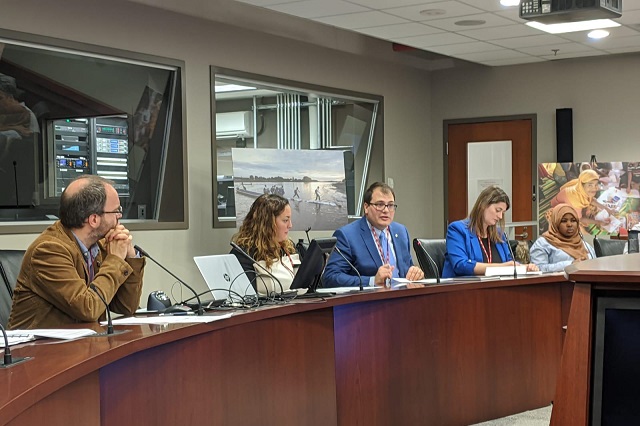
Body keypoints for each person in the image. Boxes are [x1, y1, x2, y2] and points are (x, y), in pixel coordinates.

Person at [8, 175, 145, 329]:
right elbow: (88, 309)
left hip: (81, 346)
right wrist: (114, 260)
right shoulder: (49, 251)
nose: (119, 217)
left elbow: (125, 307)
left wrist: (130, 255)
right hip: (36, 349)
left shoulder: (99, 245)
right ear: (94, 219)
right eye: (116, 211)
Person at [323, 182, 424, 288]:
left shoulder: (401, 231)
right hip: (368, 302)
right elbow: (331, 277)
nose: (386, 210)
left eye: (390, 205)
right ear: (366, 207)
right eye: (380, 205)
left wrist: (415, 273)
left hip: (401, 299)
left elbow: (407, 268)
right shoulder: (347, 236)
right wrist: (372, 281)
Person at [442, 186, 538, 278]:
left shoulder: (500, 235)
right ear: (483, 205)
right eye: (498, 210)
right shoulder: (457, 230)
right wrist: (502, 267)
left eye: (503, 213)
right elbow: (461, 265)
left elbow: (509, 263)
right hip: (463, 290)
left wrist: (524, 267)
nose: (500, 216)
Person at [231, 193, 299, 295]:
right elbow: (246, 299)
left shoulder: (289, 248)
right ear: (268, 223)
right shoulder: (244, 254)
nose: (290, 225)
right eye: (285, 220)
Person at [529, 203, 596, 273]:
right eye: (564, 221)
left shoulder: (582, 242)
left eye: (573, 220)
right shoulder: (543, 243)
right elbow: (539, 268)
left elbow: (595, 263)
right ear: (556, 222)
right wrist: (570, 265)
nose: (569, 224)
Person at [551, 169, 617, 228]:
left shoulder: (581, 187)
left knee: (592, 207)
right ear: (582, 185)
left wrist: (608, 210)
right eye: (590, 185)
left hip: (570, 202)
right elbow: (579, 219)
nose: (595, 188)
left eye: (596, 184)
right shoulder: (575, 200)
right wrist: (598, 222)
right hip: (560, 208)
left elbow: (591, 200)